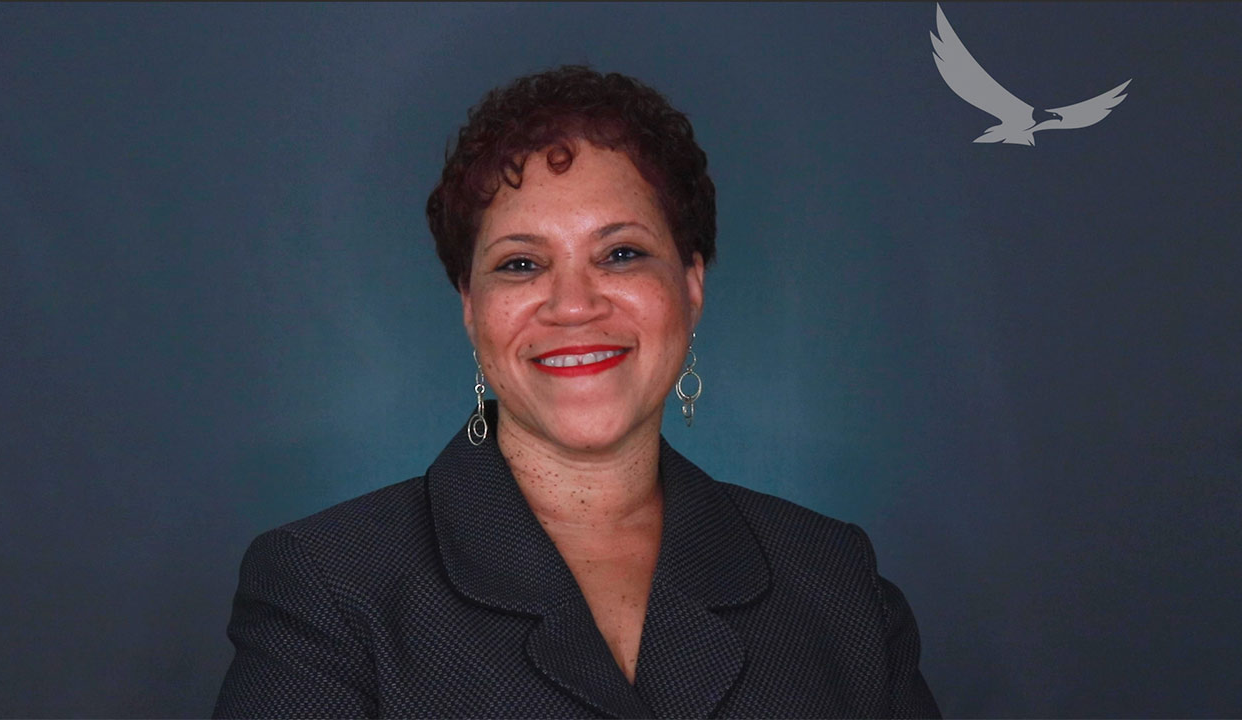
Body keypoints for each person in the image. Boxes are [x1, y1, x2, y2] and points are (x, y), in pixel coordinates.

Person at [214, 65, 940, 719]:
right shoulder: (327, 587)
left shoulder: (835, 583)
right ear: (470, 305)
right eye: (522, 264)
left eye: (620, 253)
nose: (572, 305)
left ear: (690, 285)